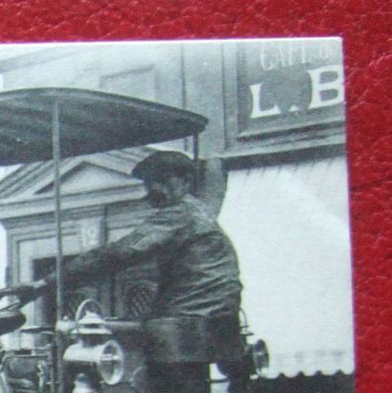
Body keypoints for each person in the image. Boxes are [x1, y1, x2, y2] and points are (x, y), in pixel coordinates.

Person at [27, 149, 246, 371]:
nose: (153, 190)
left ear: (185, 181)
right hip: (217, 318)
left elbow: (118, 254)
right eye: (149, 183)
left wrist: (48, 282)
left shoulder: (180, 214)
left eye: (161, 181)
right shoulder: (200, 213)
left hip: (189, 320)